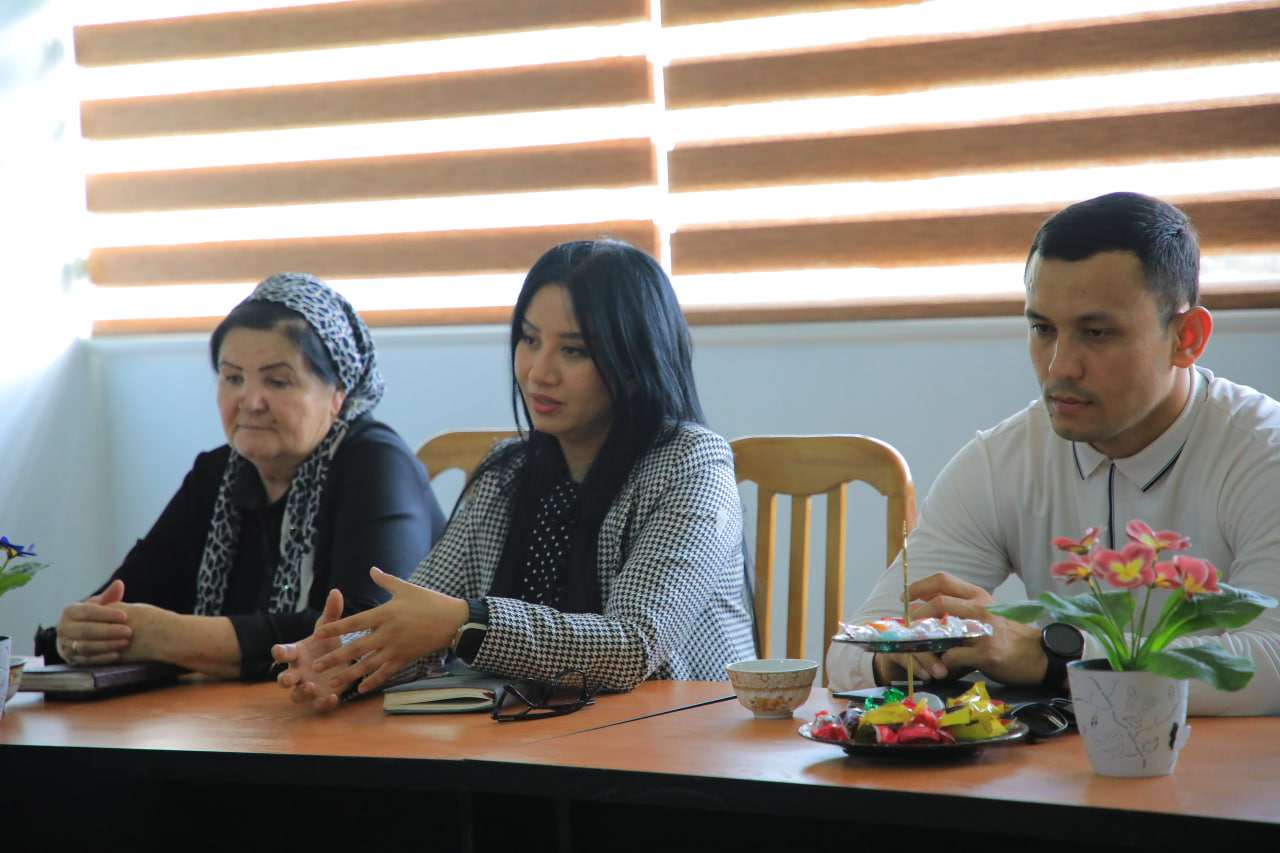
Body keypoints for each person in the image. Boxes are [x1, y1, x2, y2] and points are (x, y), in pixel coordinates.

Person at [827, 192, 1280, 716]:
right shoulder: (1001, 462)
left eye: (1096, 333)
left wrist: (1056, 656)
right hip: (1058, 763)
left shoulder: (1262, 454)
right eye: (1043, 329)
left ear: (1186, 337)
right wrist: (903, 656)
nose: (1060, 365)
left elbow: (1271, 659)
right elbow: (848, 656)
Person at [274, 240, 756, 709]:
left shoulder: (691, 465)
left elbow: (632, 646)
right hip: (531, 735)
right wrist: (342, 659)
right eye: (529, 340)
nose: (538, 372)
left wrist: (465, 623)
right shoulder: (507, 471)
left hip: (673, 740)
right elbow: (423, 618)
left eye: (573, 351)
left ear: (634, 363)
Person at [40, 273, 446, 680]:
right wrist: (77, 634)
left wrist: (173, 638)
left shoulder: (378, 465)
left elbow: (365, 631)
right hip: (236, 712)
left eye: (277, 381)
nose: (250, 402)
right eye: (233, 377)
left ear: (338, 393)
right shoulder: (216, 475)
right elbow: (122, 602)